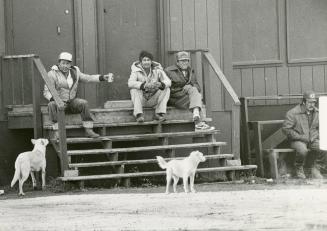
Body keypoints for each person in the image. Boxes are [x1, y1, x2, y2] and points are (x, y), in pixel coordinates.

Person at [43, 52, 114, 138]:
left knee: (83, 103)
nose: (65, 66)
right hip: (58, 103)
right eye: (63, 63)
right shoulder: (52, 74)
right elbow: (46, 91)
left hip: (71, 102)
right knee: (51, 105)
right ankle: (57, 131)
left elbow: (87, 78)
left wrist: (102, 77)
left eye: (68, 63)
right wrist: (55, 100)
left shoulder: (75, 71)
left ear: (70, 64)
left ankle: (88, 130)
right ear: (59, 63)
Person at [282, 90, 326, 179]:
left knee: (324, 147)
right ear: (303, 101)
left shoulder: (317, 113)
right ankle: (299, 168)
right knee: (302, 150)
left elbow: (322, 127)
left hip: (312, 139)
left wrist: (316, 136)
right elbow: (286, 129)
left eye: (313, 102)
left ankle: (316, 168)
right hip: (297, 140)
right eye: (309, 102)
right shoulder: (293, 113)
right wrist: (301, 137)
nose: (312, 105)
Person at [164, 51, 213, 131]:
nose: (185, 62)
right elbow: (167, 89)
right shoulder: (168, 71)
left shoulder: (190, 71)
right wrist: (184, 88)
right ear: (177, 62)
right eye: (182, 60)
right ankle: (199, 122)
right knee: (197, 97)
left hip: (186, 97)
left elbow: (198, 87)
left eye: (186, 60)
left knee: (194, 91)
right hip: (175, 99)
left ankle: (198, 120)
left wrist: (190, 87)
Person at [128, 50, 171, 122]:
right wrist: (143, 85)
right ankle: (139, 115)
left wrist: (161, 84)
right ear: (141, 62)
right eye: (144, 60)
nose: (146, 62)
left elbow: (168, 81)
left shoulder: (158, 69)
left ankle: (159, 114)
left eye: (148, 60)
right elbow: (130, 83)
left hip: (153, 100)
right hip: (141, 100)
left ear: (151, 61)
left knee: (167, 89)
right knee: (134, 89)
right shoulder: (136, 70)